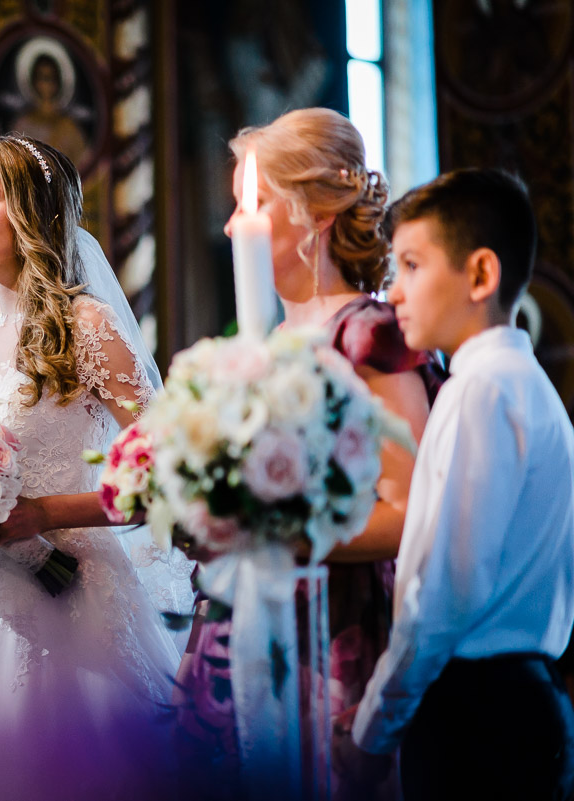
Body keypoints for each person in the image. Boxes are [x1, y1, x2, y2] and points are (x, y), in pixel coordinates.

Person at [0, 135, 184, 800]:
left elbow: (169, 477)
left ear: (33, 215)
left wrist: (45, 513)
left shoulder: (86, 326)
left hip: (70, 598)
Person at [172, 108, 437, 800]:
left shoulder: (368, 334)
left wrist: (279, 536)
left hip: (330, 627)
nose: (233, 226)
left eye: (254, 203)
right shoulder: (255, 344)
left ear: (315, 215)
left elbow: (409, 512)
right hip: (238, 615)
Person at [354, 168, 574, 800]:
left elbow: (442, 593)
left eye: (412, 266)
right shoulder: (526, 385)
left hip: (479, 715)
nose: (393, 292)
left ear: (480, 274)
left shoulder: (480, 391)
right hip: (522, 696)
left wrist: (373, 731)